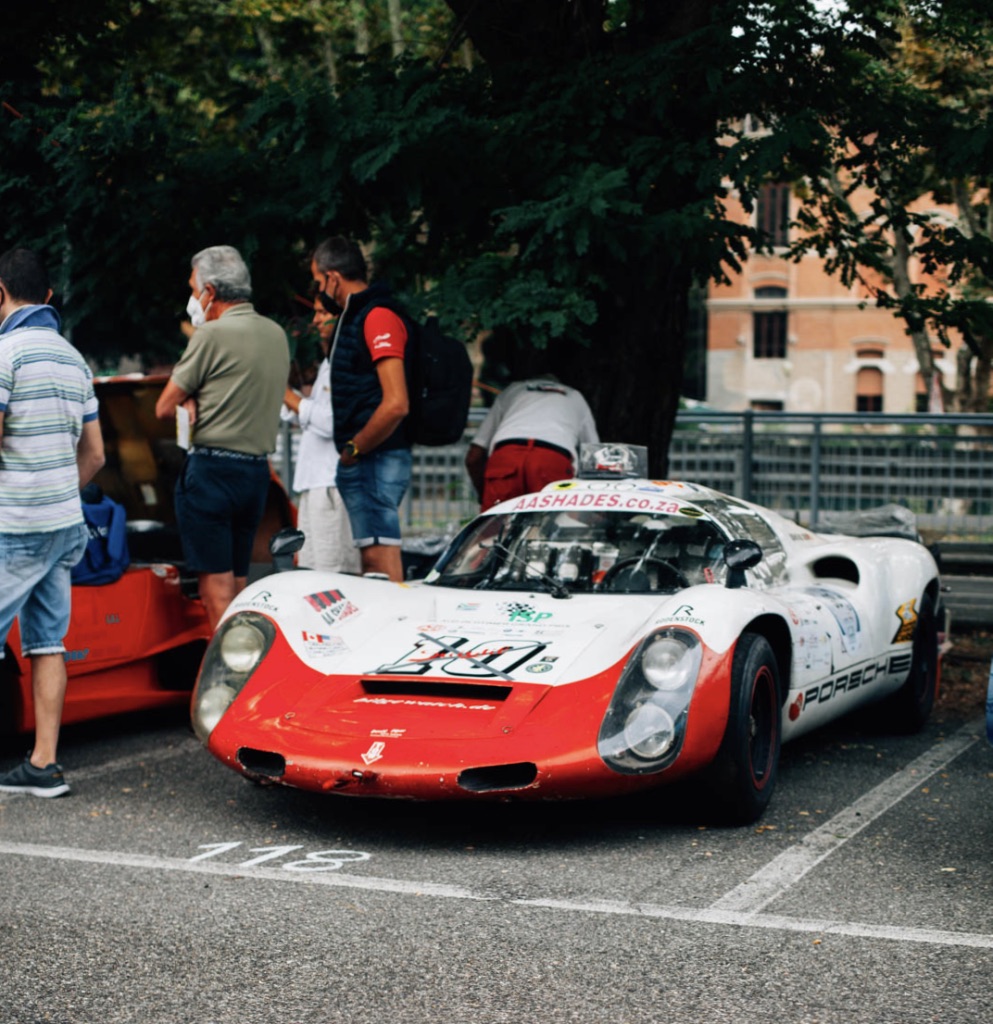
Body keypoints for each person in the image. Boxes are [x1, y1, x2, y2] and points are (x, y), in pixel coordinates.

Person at [0, 248, 106, 797]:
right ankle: (44, 764)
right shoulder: (73, 359)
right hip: (63, 522)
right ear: (47, 297)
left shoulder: (5, 354)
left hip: (12, 523)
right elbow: (95, 455)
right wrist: (61, 490)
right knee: (47, 642)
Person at [155, 245, 290, 628]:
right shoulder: (276, 334)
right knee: (239, 583)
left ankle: (225, 678)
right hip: (255, 475)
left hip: (211, 472)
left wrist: (191, 398)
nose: (192, 297)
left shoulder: (210, 335)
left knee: (215, 592)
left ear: (210, 291)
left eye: (193, 287)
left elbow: (164, 406)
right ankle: (247, 673)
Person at [311, 236, 412, 582]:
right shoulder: (357, 317)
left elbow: (396, 402)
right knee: (374, 566)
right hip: (370, 456)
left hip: (374, 455)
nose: (319, 289)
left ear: (333, 278)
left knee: (380, 567)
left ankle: (396, 631)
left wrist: (356, 448)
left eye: (318, 281)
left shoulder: (376, 316)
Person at [281, 302, 361, 573]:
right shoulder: (329, 362)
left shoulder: (344, 361)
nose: (315, 321)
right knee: (311, 572)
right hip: (316, 482)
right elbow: (308, 417)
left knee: (332, 574)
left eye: (323, 313)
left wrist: (287, 394)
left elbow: (329, 423)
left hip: (330, 483)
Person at [465, 372, 599, 510]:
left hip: (507, 456)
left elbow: (474, 455)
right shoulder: (575, 397)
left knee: (495, 524)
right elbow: (595, 458)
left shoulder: (513, 390)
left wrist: (485, 494)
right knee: (549, 524)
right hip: (551, 459)